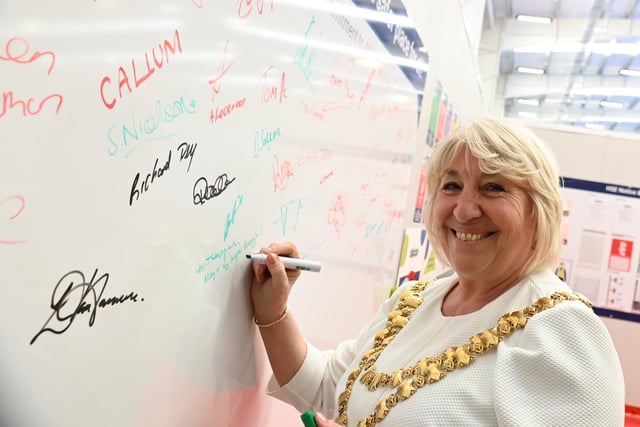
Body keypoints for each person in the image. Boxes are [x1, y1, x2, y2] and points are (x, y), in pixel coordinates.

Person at [249, 118, 625, 426]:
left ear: (538, 209)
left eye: (493, 187)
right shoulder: (418, 299)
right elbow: (331, 385)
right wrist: (273, 312)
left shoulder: (562, 330)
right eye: (452, 185)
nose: (464, 210)